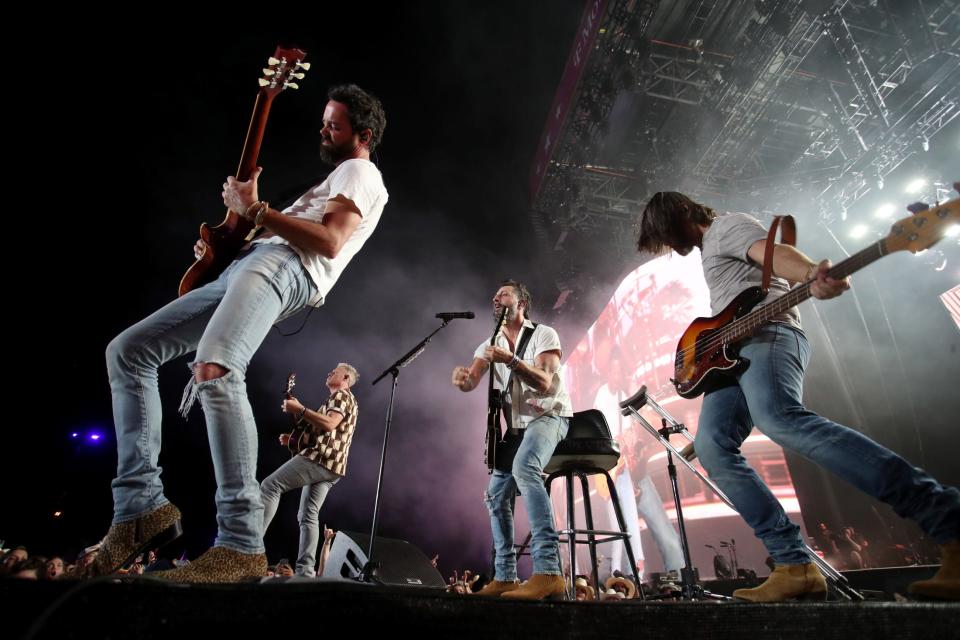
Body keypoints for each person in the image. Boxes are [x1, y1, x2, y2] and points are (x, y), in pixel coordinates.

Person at [87, 84, 388, 583]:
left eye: (333, 125)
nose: (323, 130)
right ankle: (139, 507)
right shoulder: (337, 177)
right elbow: (276, 227)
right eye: (324, 121)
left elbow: (331, 242)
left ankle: (241, 543)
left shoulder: (360, 171)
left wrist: (257, 212)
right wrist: (233, 234)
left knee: (217, 366)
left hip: (286, 269)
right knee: (129, 351)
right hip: (252, 265)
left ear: (364, 135)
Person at [635, 191, 960, 601]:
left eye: (667, 233)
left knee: (779, 418)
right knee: (713, 447)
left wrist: (809, 273)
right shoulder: (707, 250)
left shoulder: (725, 227)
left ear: (681, 212)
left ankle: (947, 518)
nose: (673, 247)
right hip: (732, 354)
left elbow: (775, 252)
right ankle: (793, 563)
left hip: (769, 336)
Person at [451, 280, 573, 600]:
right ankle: (505, 577)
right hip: (517, 429)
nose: (496, 298)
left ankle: (549, 572)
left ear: (521, 304)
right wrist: (464, 381)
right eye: (494, 295)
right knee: (494, 496)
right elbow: (473, 377)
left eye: (504, 294)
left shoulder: (544, 334)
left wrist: (510, 360)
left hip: (550, 417)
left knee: (525, 468)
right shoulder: (489, 343)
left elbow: (546, 383)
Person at [260, 363, 360, 577]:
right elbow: (321, 435)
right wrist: (292, 441)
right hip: (334, 466)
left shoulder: (341, 396)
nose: (329, 372)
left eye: (334, 371)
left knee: (270, 485)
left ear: (346, 379)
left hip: (322, 459)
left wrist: (300, 410)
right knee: (308, 515)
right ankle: (305, 571)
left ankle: (251, 549)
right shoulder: (340, 400)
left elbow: (330, 424)